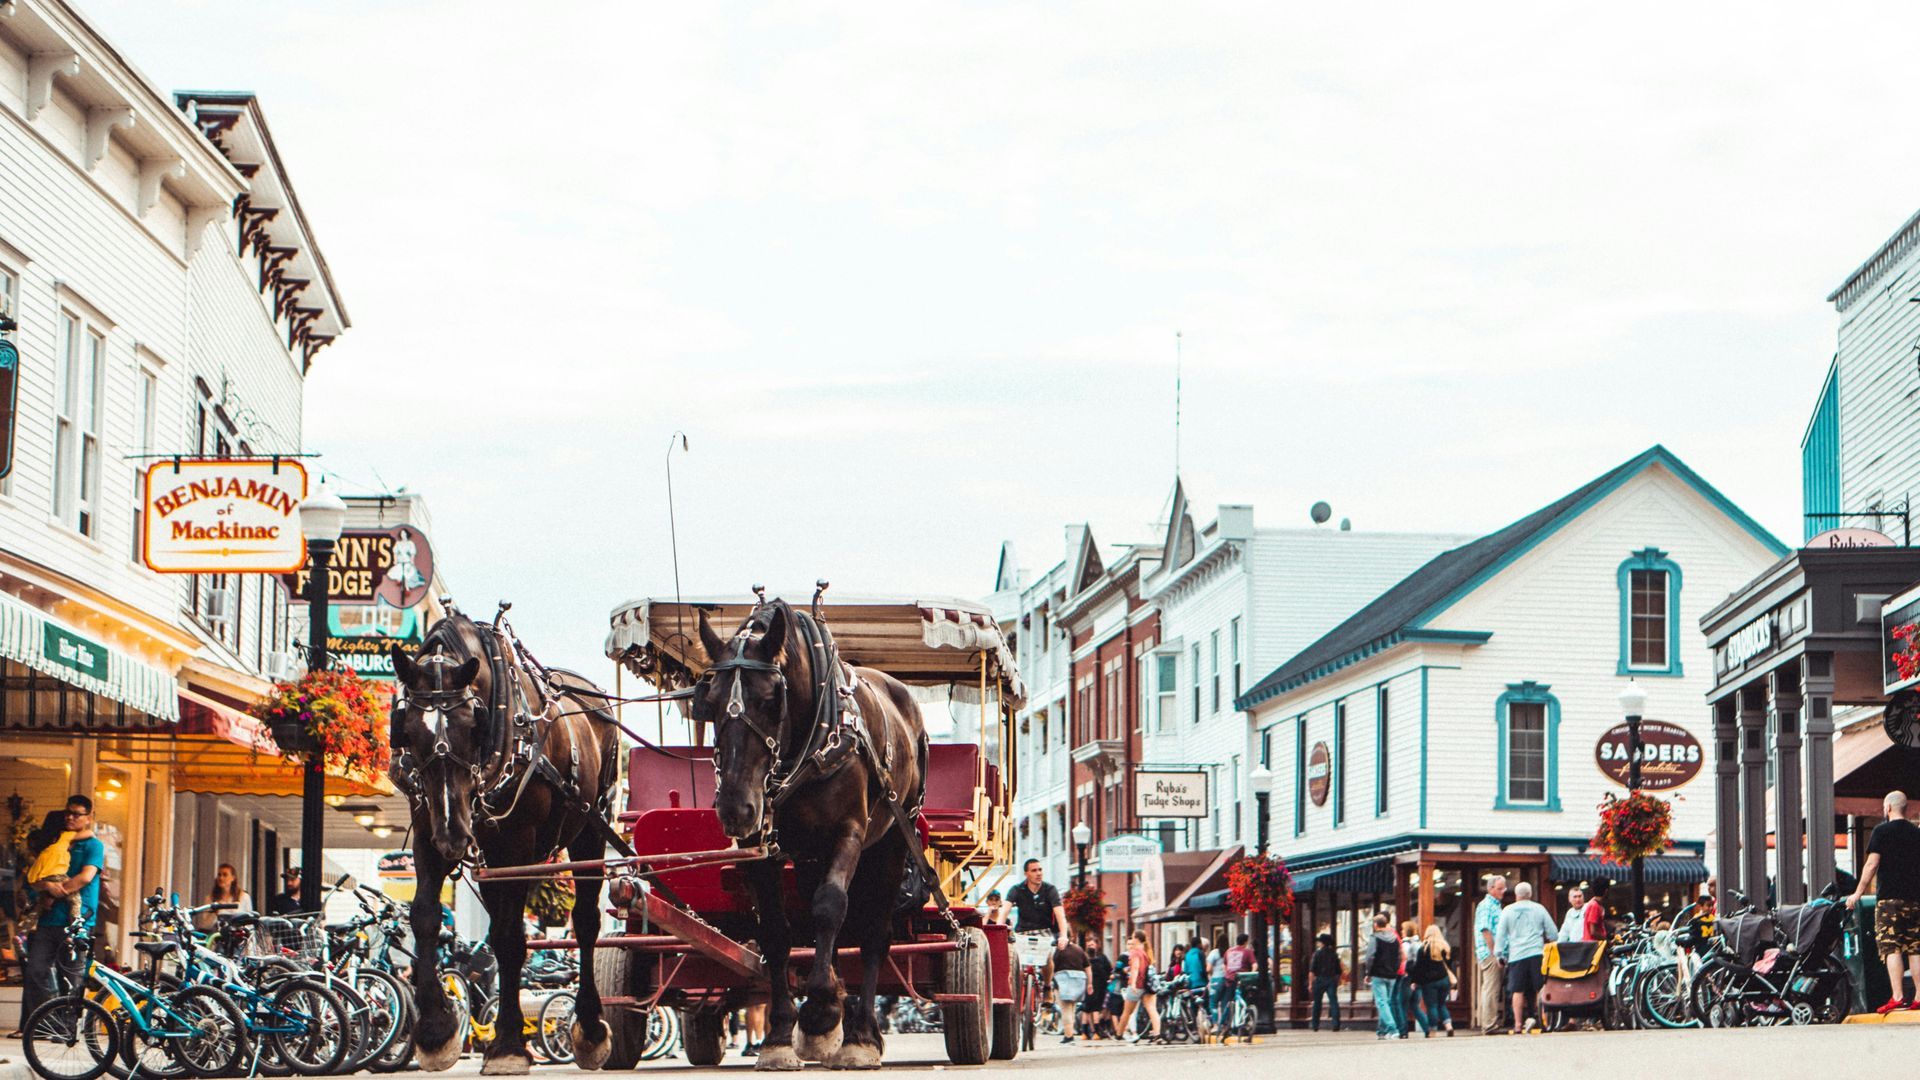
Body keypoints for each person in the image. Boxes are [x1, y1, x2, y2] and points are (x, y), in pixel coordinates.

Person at [21, 795, 104, 1028]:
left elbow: (86, 876)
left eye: (77, 814)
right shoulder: (57, 840)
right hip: (48, 920)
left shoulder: (92, 845)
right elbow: (39, 874)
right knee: (36, 970)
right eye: (68, 812)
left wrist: (60, 891)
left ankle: (66, 1026)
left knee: (71, 975)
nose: (70, 817)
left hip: (77, 920)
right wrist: (46, 888)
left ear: (88, 817)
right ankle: (44, 1022)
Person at [1847, 790, 1920, 1013]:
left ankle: (1897, 996)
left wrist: (1857, 894)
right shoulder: (1916, 833)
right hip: (1915, 900)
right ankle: (1919, 996)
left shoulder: (1882, 831)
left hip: (1889, 900)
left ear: (1887, 808)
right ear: (1905, 809)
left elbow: (1871, 865)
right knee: (1915, 948)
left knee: (1892, 948)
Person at [1494, 881, 1556, 1034]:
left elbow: (1501, 935)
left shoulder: (1507, 911)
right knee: (1539, 987)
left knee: (1517, 990)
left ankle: (1517, 1024)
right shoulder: (1539, 909)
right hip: (1536, 953)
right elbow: (1553, 933)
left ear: (1516, 895)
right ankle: (1542, 1020)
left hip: (1517, 955)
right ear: (1530, 895)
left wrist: (1499, 954)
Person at [1406, 924, 1456, 1037]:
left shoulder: (1423, 948)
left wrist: (1414, 981)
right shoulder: (1445, 947)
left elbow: (1419, 967)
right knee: (1442, 1004)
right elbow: (1449, 965)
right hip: (1444, 980)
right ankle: (1449, 1026)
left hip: (1429, 982)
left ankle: (1433, 1031)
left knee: (1432, 1006)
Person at [1473, 874, 1507, 1035]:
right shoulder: (1487, 905)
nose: (1503, 891)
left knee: (1491, 988)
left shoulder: (1494, 905)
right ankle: (1489, 1024)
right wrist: (1495, 952)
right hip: (1490, 952)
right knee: (1491, 988)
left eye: (1504, 888)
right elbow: (1485, 930)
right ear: (1490, 888)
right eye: (1500, 888)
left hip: (1490, 951)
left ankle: (1489, 1022)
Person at [1360, 914, 1402, 1039]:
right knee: (1386, 1002)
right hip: (1391, 974)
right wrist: (1395, 969)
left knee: (1382, 1002)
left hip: (1378, 973)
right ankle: (1381, 1031)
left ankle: (1393, 1028)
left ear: (1376, 925)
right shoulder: (1394, 938)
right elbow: (1399, 956)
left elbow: (1370, 957)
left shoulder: (1375, 938)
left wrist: (1368, 973)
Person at [1115, 929, 1160, 1042]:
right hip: (1148, 986)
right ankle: (1157, 1034)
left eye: (1133, 937)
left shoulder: (1135, 952)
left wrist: (1133, 983)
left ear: (1136, 939)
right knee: (1152, 1010)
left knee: (1127, 1011)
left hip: (1138, 985)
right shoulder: (1146, 952)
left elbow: (1135, 968)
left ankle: (1119, 1033)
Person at [1007, 859, 1069, 939]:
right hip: (1022, 934)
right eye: (1034, 871)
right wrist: (998, 929)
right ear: (1026, 874)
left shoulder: (1050, 889)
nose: (1039, 873)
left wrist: (1064, 936)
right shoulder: (1017, 889)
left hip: (1046, 933)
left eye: (1040, 870)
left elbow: (1060, 914)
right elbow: (1005, 910)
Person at [194, 863, 254, 931]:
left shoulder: (244, 897)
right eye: (219, 875)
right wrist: (215, 914)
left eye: (225, 875)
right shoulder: (210, 898)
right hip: (218, 937)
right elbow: (206, 925)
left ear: (233, 878)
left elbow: (250, 923)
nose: (221, 878)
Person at [1053, 935, 1089, 1043]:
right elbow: (1087, 967)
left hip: (1063, 981)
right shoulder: (1079, 950)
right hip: (1078, 981)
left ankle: (1068, 1036)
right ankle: (1071, 1032)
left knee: (1065, 1009)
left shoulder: (1059, 950)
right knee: (1072, 1009)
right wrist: (1090, 983)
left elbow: (1052, 965)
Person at [1308, 931, 1343, 1031]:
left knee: (1317, 1003)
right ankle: (1336, 1024)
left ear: (1322, 943)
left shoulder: (1317, 954)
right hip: (1331, 979)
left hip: (1319, 980)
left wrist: (1310, 983)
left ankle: (1315, 1025)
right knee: (1333, 1002)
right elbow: (1338, 971)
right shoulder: (1334, 954)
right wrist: (1338, 981)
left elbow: (1312, 970)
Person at [1085, 937, 1115, 1039]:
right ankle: (1094, 1031)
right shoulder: (1093, 959)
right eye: (1089, 945)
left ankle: (1091, 1031)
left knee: (1091, 1009)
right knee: (1093, 1009)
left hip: (1098, 987)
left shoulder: (1102, 958)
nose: (1090, 946)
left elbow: (1109, 970)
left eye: (1092, 944)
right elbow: (1105, 973)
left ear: (1097, 945)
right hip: (1094, 986)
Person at [1206, 931, 1228, 1025]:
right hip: (1227, 979)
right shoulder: (1229, 952)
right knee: (1225, 1003)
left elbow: (1208, 968)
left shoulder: (1214, 953)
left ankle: (1215, 1024)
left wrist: (1211, 974)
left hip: (1216, 979)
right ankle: (1225, 1024)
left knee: (1213, 1003)